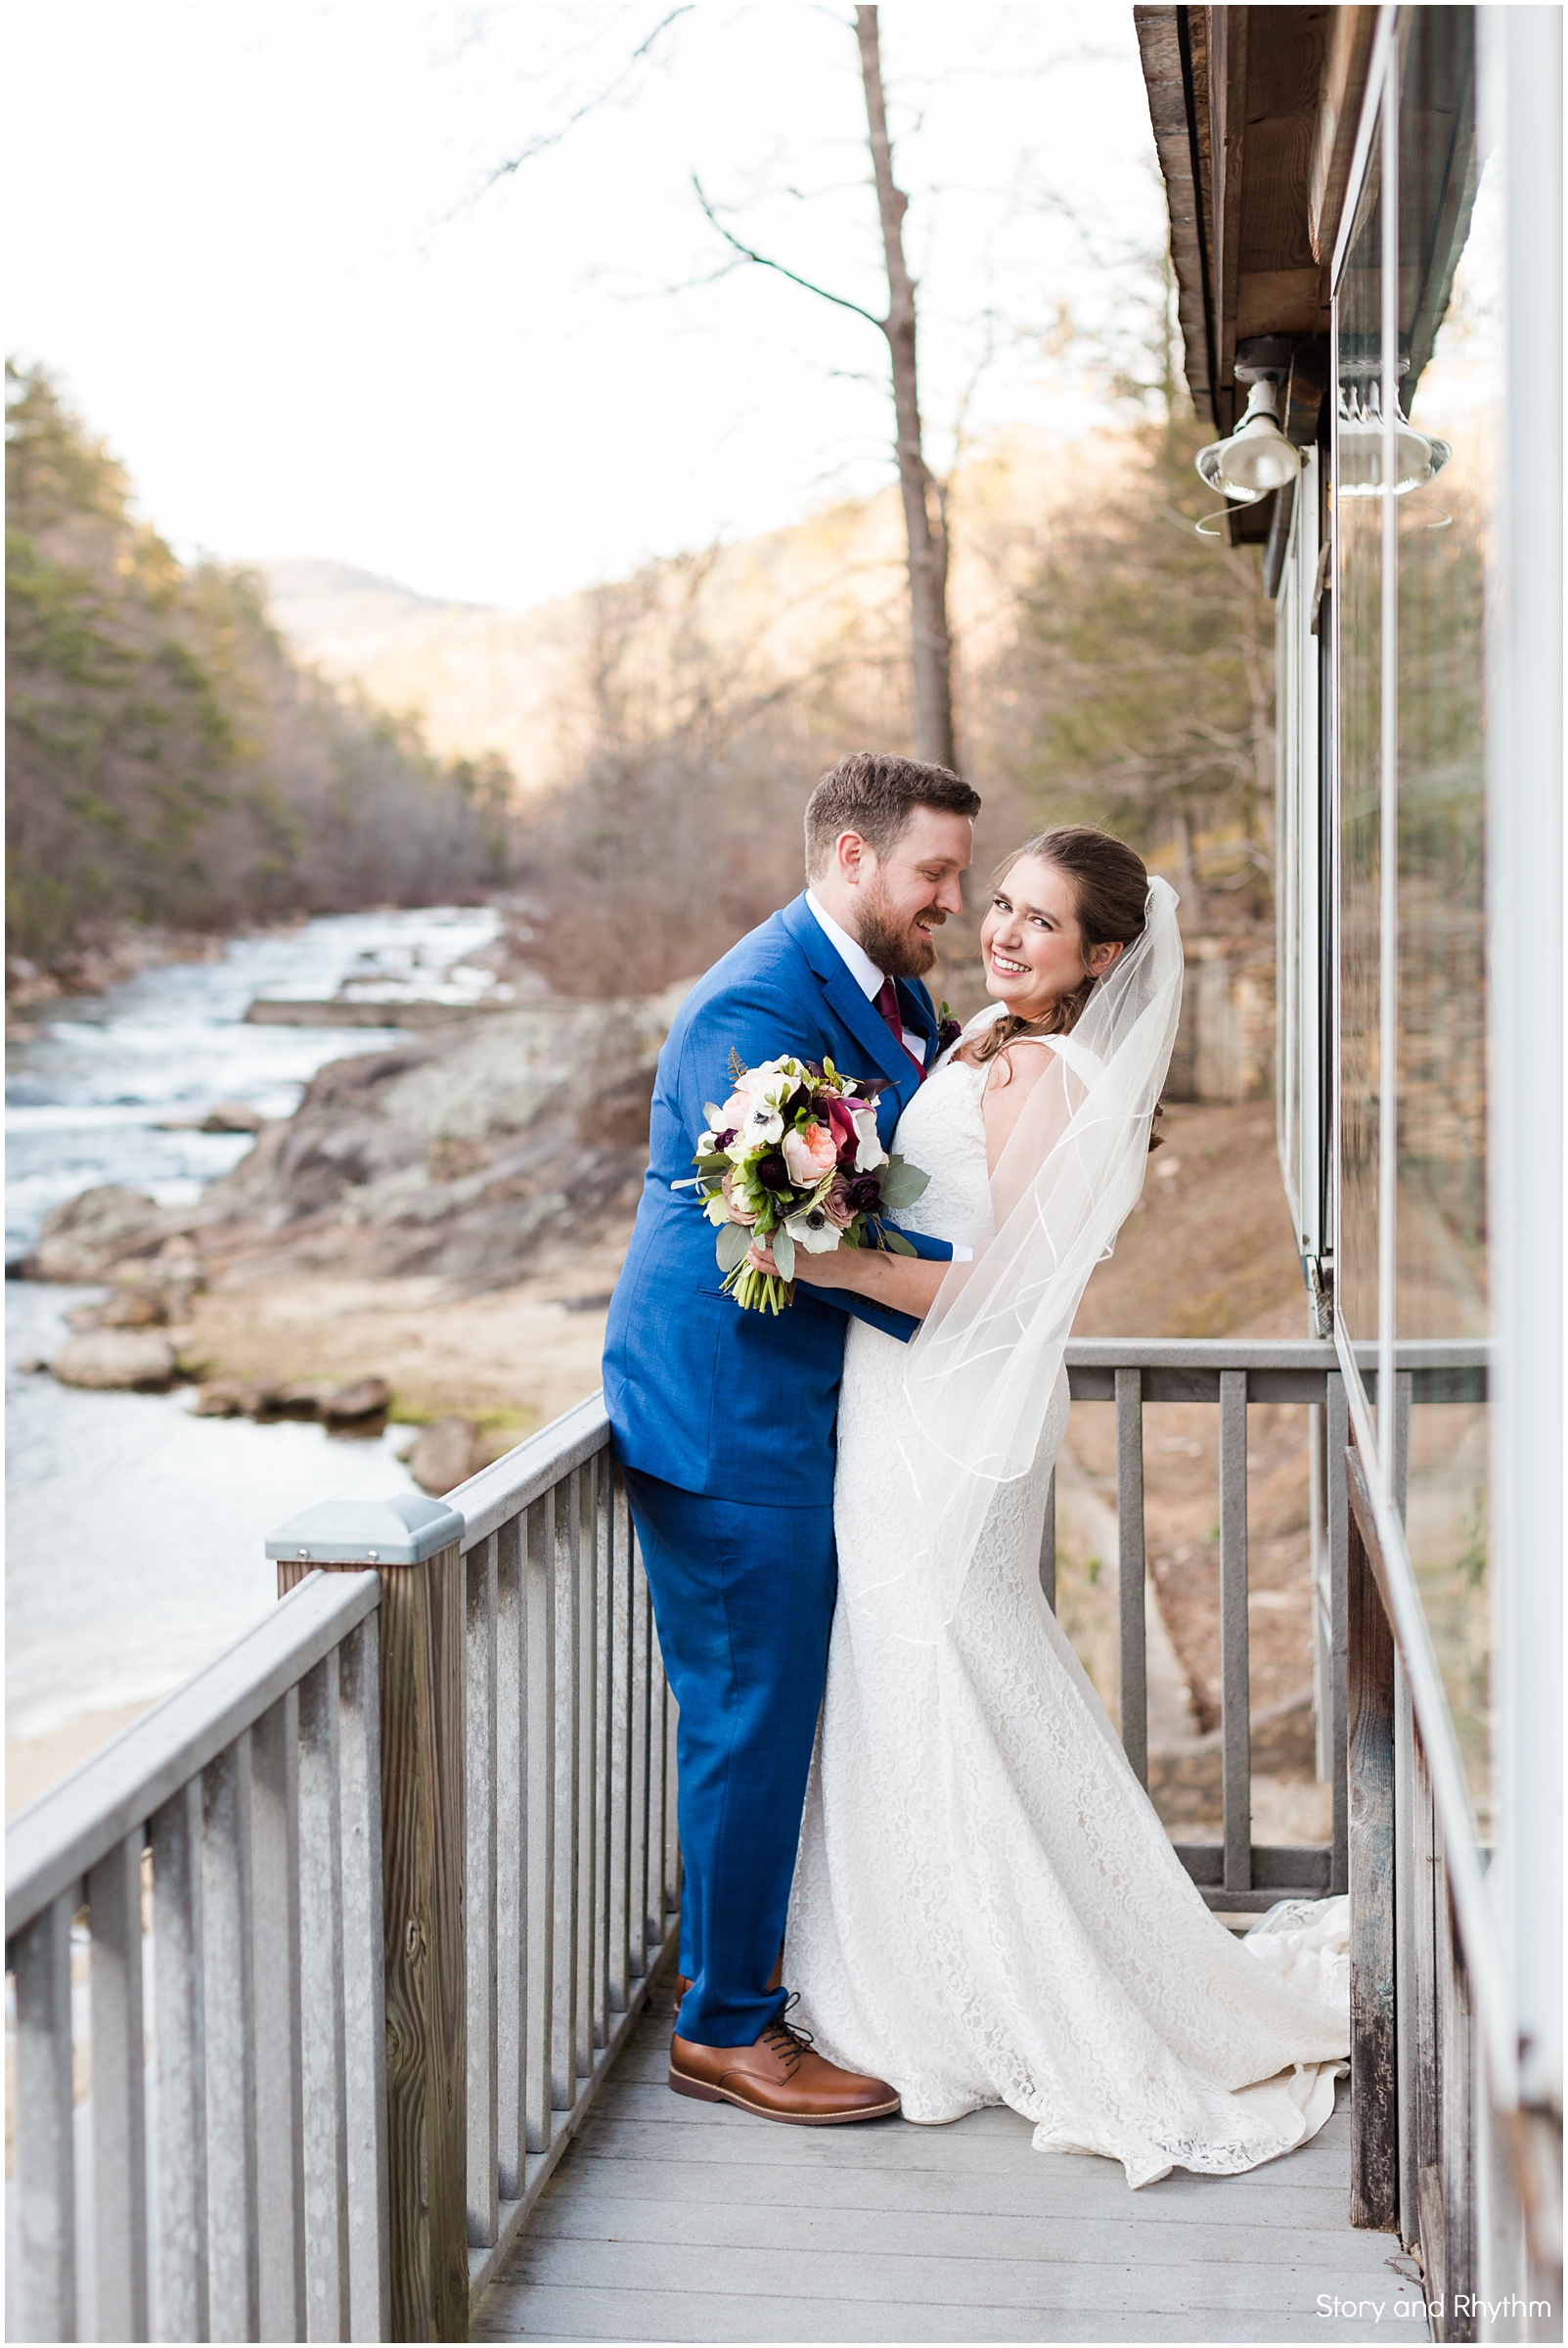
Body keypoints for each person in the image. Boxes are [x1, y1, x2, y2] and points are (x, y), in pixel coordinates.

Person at [768, 826, 1352, 2187]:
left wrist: (825, 1254)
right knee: (926, 1669)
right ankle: (938, 1948)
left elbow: (991, 1286)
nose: (1009, 935)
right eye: (1006, 908)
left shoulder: (1046, 1068)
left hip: (945, 1421)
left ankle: (998, 1981)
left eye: (1045, 925)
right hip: (904, 1409)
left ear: (1102, 957)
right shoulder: (985, 1038)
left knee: (940, 1663)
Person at [603, 749, 981, 2123]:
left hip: (829, 1407)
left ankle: (789, 1976)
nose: (954, 897)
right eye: (935, 872)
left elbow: (905, 1151)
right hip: (728, 1414)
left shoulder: (898, 991)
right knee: (748, 1720)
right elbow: (775, 1220)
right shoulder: (753, 1003)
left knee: (790, 1709)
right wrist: (983, 1279)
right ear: (853, 861)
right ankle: (725, 2026)